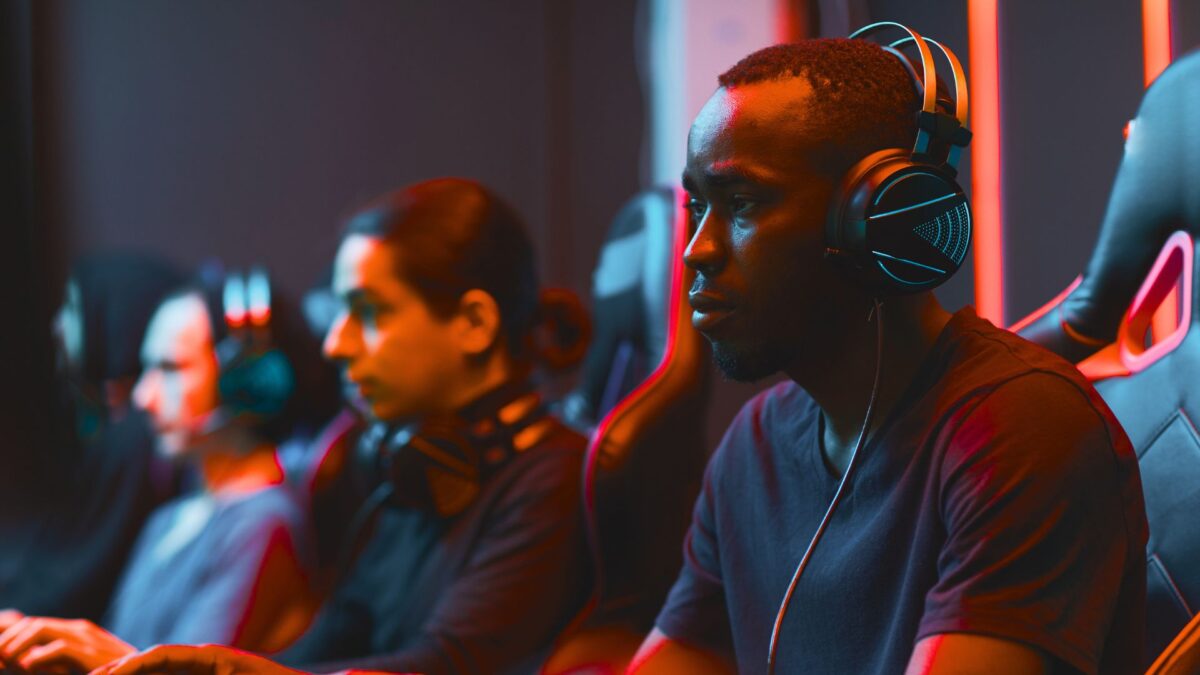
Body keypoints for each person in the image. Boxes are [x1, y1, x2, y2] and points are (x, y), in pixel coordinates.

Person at [628, 34, 1147, 674]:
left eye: (741, 204)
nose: (696, 250)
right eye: (697, 206)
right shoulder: (753, 450)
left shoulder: (1023, 431)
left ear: (881, 218)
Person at [92, 178, 593, 675]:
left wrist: (212, 671)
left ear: (473, 324)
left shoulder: (551, 480)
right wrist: (137, 665)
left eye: (368, 313)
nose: (335, 344)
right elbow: (322, 652)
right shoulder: (416, 470)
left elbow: (442, 667)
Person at [0, 269, 337, 672]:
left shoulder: (263, 524)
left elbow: (181, 671)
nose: (143, 397)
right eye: (146, 370)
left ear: (246, 383)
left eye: (170, 369)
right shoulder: (172, 515)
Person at [0, 254, 183, 624]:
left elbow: (73, 575)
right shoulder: (114, 429)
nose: (56, 326)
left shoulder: (137, 441)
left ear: (112, 316)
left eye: (70, 307)